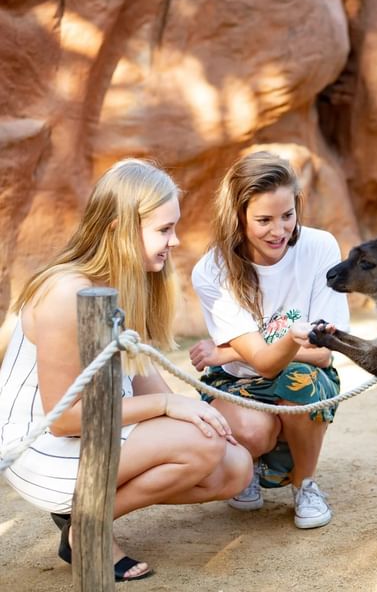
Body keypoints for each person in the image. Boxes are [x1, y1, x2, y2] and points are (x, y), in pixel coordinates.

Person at [0, 159, 253, 582]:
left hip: (97, 430)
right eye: (163, 229)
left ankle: (86, 516)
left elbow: (141, 376)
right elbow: (62, 420)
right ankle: (87, 525)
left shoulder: (128, 280)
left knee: (235, 465)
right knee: (200, 447)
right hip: (42, 450)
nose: (174, 241)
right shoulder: (67, 293)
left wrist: (194, 411)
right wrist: (169, 407)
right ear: (118, 227)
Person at [189, 150, 349, 529]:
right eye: (263, 220)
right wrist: (294, 341)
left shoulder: (321, 247)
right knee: (254, 431)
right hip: (239, 382)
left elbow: (326, 355)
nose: (279, 231)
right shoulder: (212, 269)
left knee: (300, 378)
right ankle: (253, 466)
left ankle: (305, 483)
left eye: (287, 215)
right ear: (238, 218)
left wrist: (226, 351)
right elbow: (259, 363)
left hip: (299, 381)